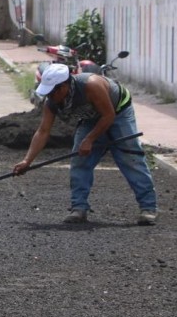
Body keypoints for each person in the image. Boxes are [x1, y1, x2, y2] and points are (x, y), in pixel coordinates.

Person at [12, 63, 158, 225]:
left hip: (118, 112)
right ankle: (79, 208)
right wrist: (27, 160)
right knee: (80, 160)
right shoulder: (52, 102)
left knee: (129, 158)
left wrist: (89, 139)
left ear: (63, 87)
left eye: (52, 92)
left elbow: (108, 116)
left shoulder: (91, 85)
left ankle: (148, 207)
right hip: (90, 117)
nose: (50, 97)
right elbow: (43, 131)